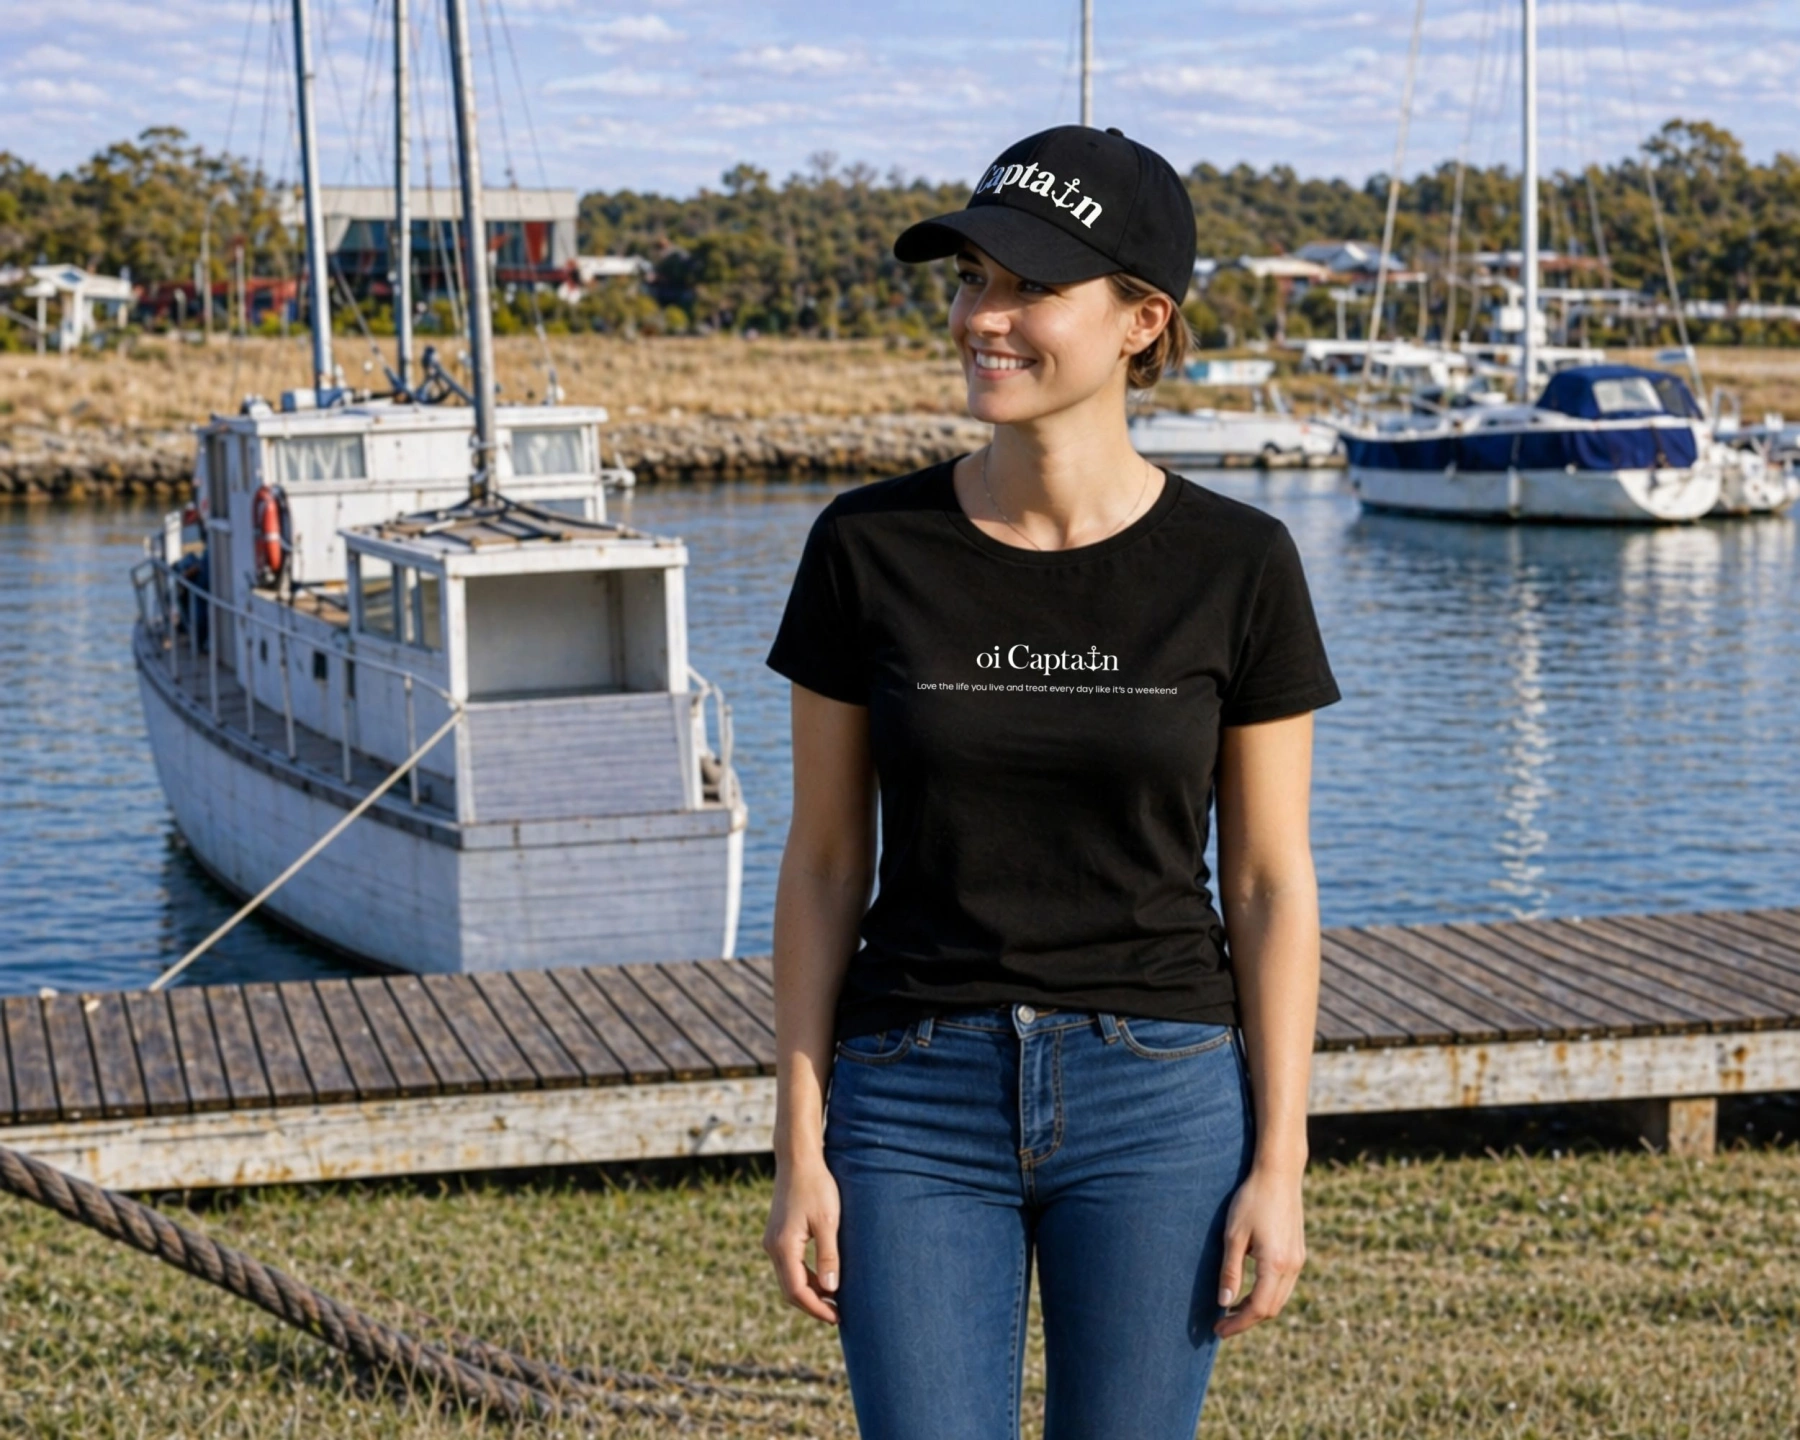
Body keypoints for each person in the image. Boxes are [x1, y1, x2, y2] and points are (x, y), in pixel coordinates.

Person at [761, 123, 1341, 1439]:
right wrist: (801, 1141)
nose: (983, 316)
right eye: (970, 279)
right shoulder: (867, 547)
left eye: (1029, 286)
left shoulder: (1239, 565)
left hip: (1161, 1091)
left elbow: (1266, 883)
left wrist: (1281, 1158)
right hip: (910, 1095)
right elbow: (823, 866)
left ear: (1142, 320)